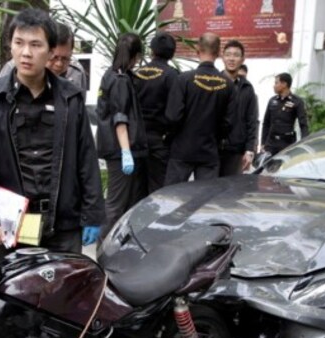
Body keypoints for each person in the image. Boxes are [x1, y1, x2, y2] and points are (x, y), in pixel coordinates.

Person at [0, 8, 104, 253]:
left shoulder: (70, 98)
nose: (26, 53)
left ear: (51, 51)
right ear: (10, 46)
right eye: (18, 43)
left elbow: (86, 157)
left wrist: (93, 214)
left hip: (63, 224)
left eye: (35, 44)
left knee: (66, 290)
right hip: (11, 226)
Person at [164, 32, 234, 185]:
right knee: (205, 201)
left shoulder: (183, 79)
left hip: (182, 150)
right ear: (218, 53)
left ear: (197, 51)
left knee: (172, 198)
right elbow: (228, 123)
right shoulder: (228, 84)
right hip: (209, 151)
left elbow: (173, 117)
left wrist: (174, 137)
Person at [95, 32, 147, 236]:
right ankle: (102, 252)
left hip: (113, 148)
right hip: (120, 151)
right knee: (116, 206)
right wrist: (126, 151)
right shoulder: (120, 80)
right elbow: (120, 118)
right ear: (136, 56)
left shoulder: (110, 75)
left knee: (122, 205)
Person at [134, 31, 178, 193]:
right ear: (172, 54)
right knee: (158, 187)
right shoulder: (173, 76)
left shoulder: (136, 73)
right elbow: (176, 112)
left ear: (151, 51)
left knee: (137, 185)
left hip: (137, 138)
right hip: (161, 140)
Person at [219, 39, 258, 176]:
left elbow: (251, 120)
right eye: (228, 54)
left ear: (242, 59)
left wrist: (250, 149)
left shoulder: (247, 88)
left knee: (230, 191)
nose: (231, 58)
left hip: (236, 150)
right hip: (213, 149)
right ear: (222, 57)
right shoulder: (214, 83)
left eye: (236, 55)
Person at [261, 72, 308, 155]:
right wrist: (263, 143)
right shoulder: (272, 100)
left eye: (276, 83)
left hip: (287, 143)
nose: (274, 86)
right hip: (271, 143)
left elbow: (303, 125)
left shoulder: (297, 101)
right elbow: (266, 123)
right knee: (266, 166)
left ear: (284, 84)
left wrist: (304, 143)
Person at [49, 21, 89, 94]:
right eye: (54, 58)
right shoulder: (30, 71)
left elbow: (80, 103)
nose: (59, 64)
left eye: (65, 58)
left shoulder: (76, 72)